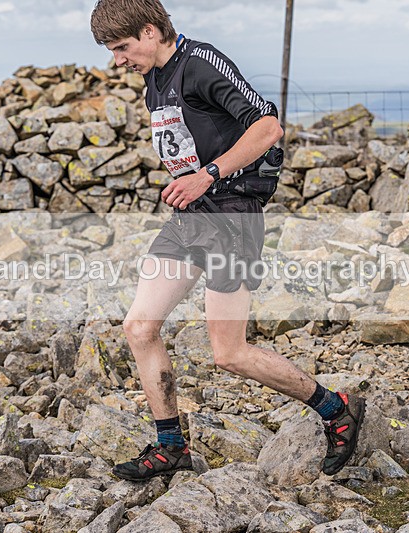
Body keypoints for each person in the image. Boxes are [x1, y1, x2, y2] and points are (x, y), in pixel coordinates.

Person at [90, 0, 365, 481]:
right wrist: (190, 183)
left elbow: (268, 127)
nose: (118, 60)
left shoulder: (200, 63)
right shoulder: (155, 79)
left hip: (233, 218)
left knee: (229, 353)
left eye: (122, 47)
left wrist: (207, 175)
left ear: (150, 31)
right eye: (113, 51)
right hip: (190, 218)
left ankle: (335, 409)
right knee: (139, 327)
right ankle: (170, 446)